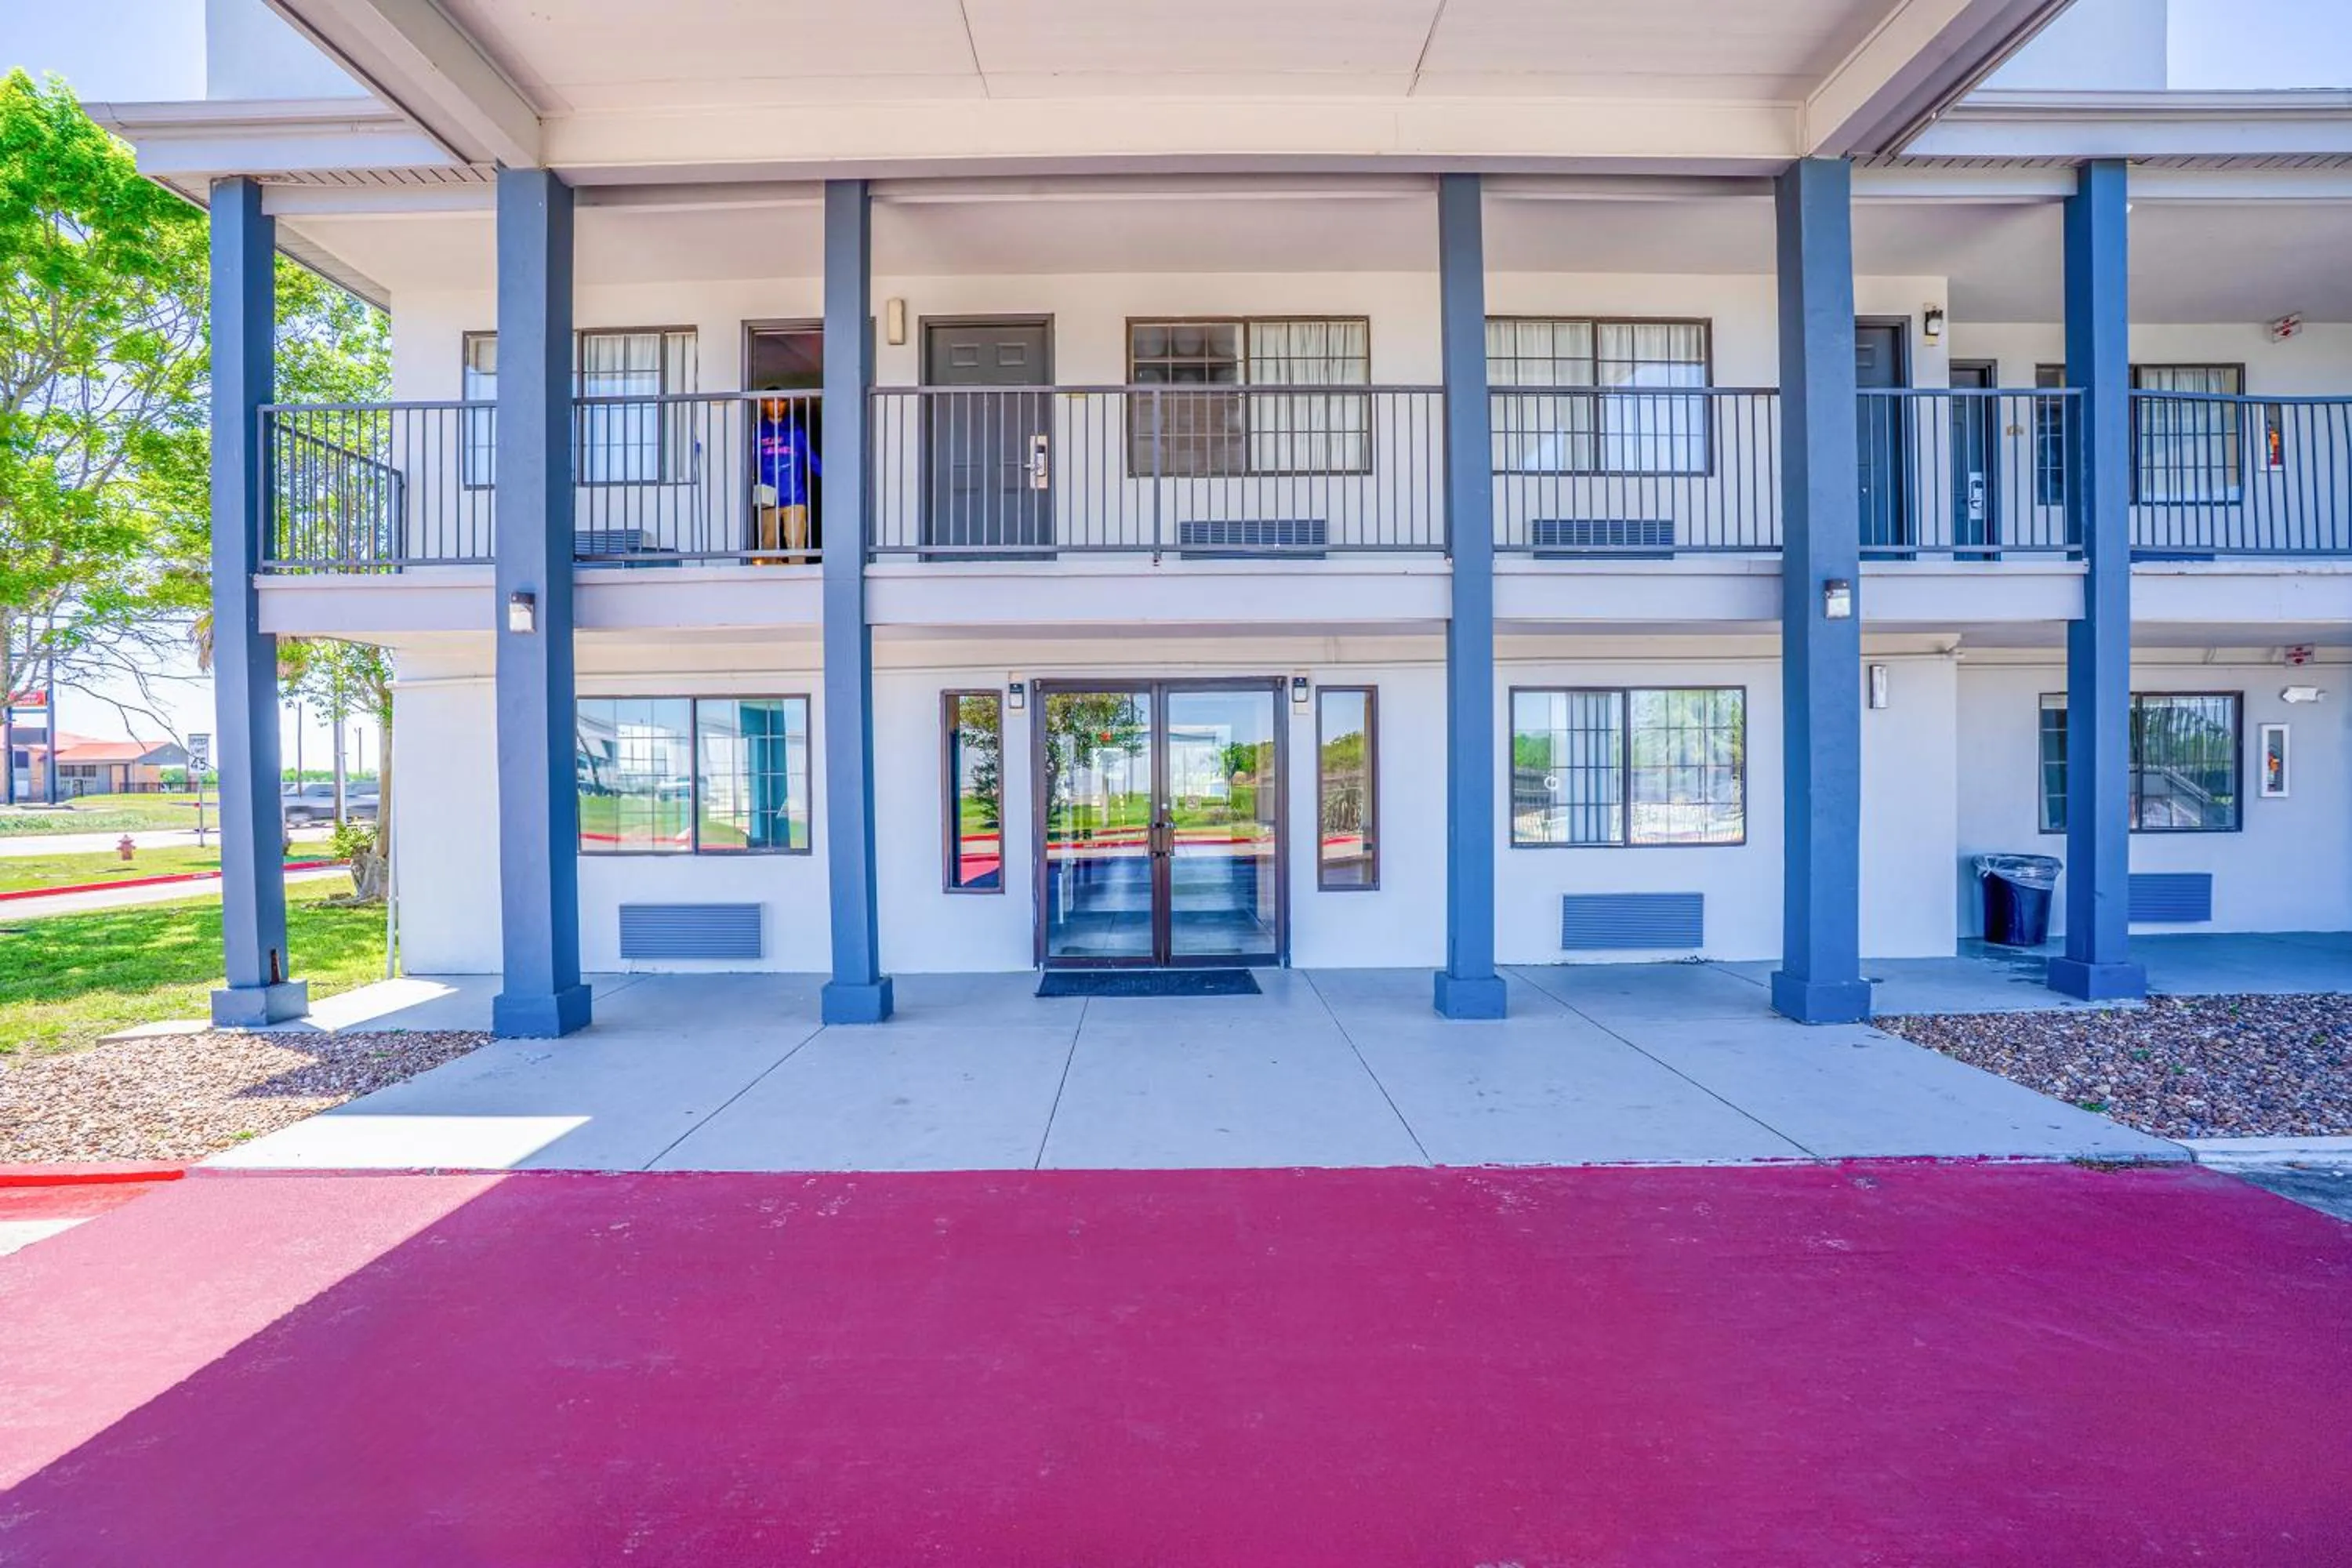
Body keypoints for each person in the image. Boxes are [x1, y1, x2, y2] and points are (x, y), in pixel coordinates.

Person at [753, 397, 818, 564]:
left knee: (797, 546)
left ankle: (798, 586)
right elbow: (749, 461)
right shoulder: (758, 431)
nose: (777, 406)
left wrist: (833, 478)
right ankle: (769, 587)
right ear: (763, 404)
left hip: (795, 495)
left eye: (781, 401)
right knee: (768, 546)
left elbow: (811, 458)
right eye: (771, 401)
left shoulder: (795, 430)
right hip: (768, 496)